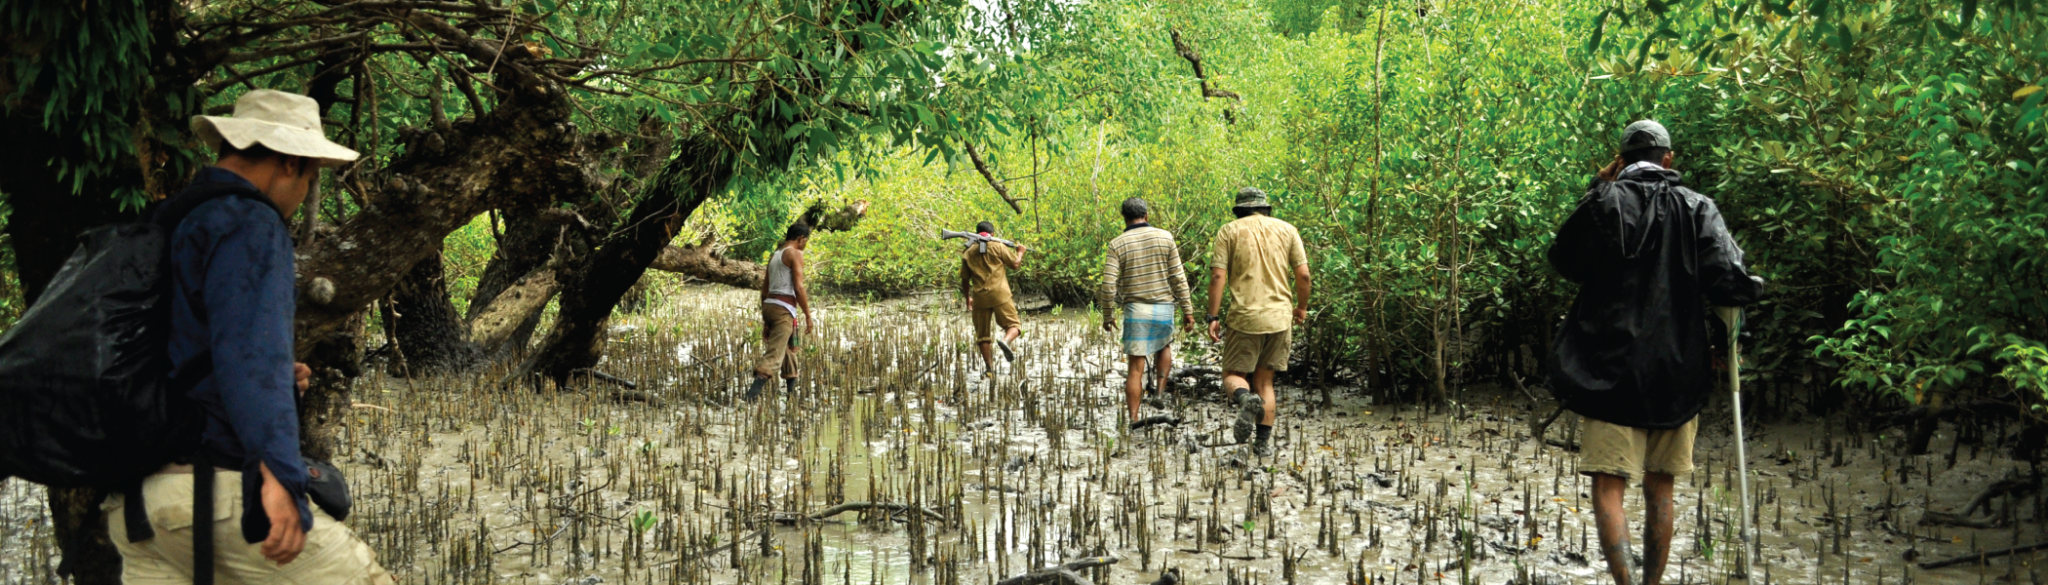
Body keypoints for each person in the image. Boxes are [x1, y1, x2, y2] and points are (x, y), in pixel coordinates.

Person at [103, 90, 392, 582]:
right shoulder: (249, 221)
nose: (305, 193)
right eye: (310, 175)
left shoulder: (168, 221)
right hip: (210, 495)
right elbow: (250, 357)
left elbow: (185, 353)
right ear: (287, 162)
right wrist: (280, 475)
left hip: (135, 509)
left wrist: (278, 377)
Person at [1548, 120, 1764, 585]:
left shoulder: (1603, 202)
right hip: (1677, 369)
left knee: (1609, 483)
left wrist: (1596, 189)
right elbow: (1730, 281)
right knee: (1659, 485)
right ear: (1668, 160)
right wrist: (1735, 345)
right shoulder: (1697, 207)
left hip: (1608, 370)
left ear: (1619, 160)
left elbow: (1564, 260)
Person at [1204, 187, 1311, 458]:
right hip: (1279, 317)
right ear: (1265, 208)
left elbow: (1218, 277)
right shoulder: (1288, 230)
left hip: (1245, 317)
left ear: (1239, 209)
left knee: (1232, 375)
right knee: (1265, 382)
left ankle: (1244, 399)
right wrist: (1301, 308)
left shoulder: (1229, 231)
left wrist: (1213, 317)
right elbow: (1304, 276)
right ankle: (1262, 444)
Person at [1098, 197, 1197, 422]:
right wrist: (1187, 310)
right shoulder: (1166, 237)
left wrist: (1108, 314)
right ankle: (1160, 393)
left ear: (1124, 217)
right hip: (1164, 308)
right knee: (1164, 347)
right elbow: (1178, 278)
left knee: (1135, 368)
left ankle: (1133, 418)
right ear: (1146, 215)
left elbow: (1108, 284)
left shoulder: (1117, 243)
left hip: (1136, 310)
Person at [745, 221, 816, 402]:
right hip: (783, 308)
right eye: (805, 241)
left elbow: (764, 290)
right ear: (800, 239)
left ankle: (792, 396)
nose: (805, 245)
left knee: (788, 350)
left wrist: (767, 319)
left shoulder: (775, 256)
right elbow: (799, 288)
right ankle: (750, 397)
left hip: (770, 306)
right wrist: (808, 315)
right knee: (775, 354)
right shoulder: (795, 253)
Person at [959, 220, 1027, 377]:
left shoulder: (968, 252)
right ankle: (1006, 341)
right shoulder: (998, 246)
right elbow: (1015, 264)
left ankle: (990, 370)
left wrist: (967, 298)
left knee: (983, 336)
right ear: (993, 234)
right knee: (1014, 326)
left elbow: (964, 280)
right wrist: (1021, 252)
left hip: (980, 297)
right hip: (1000, 294)